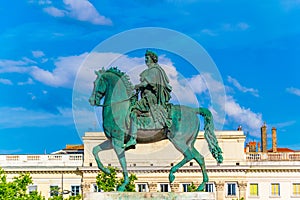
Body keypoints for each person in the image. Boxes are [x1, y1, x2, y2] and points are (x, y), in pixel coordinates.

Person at [125, 50, 172, 148]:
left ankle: (133, 138)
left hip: (150, 98)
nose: (146, 60)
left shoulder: (154, 70)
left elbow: (147, 83)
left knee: (133, 111)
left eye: (147, 58)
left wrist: (136, 86)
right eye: (145, 58)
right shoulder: (152, 70)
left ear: (152, 59)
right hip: (146, 96)